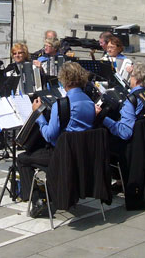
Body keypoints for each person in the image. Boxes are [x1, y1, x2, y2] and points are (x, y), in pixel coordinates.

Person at [17, 62, 95, 217]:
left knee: (22, 158)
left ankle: (37, 199)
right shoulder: (90, 101)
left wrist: (38, 115)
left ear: (64, 80)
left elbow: (49, 135)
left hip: (62, 156)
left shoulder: (62, 104)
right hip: (83, 154)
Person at [96, 63, 145, 193]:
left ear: (138, 80)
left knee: (100, 140)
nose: (130, 78)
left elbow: (125, 132)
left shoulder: (132, 99)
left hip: (132, 147)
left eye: (132, 76)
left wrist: (102, 117)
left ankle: (111, 181)